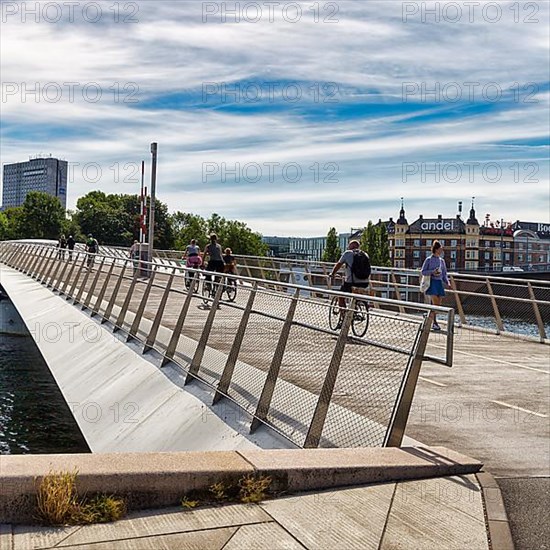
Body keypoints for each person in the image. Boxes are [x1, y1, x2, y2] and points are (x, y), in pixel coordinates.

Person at [329, 240, 371, 328]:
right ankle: (355, 310)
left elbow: (338, 265)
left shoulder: (347, 253)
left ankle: (344, 318)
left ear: (350, 247)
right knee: (355, 296)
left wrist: (332, 274)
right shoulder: (365, 254)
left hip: (352, 282)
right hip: (365, 282)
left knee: (341, 296)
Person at [421, 240, 449, 331]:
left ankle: (429, 316)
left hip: (439, 283)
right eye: (440, 248)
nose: (442, 250)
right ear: (436, 249)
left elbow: (444, 274)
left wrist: (447, 282)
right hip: (432, 282)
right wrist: (433, 272)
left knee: (437, 305)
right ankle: (434, 322)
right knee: (436, 304)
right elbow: (423, 271)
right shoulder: (428, 260)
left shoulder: (442, 261)